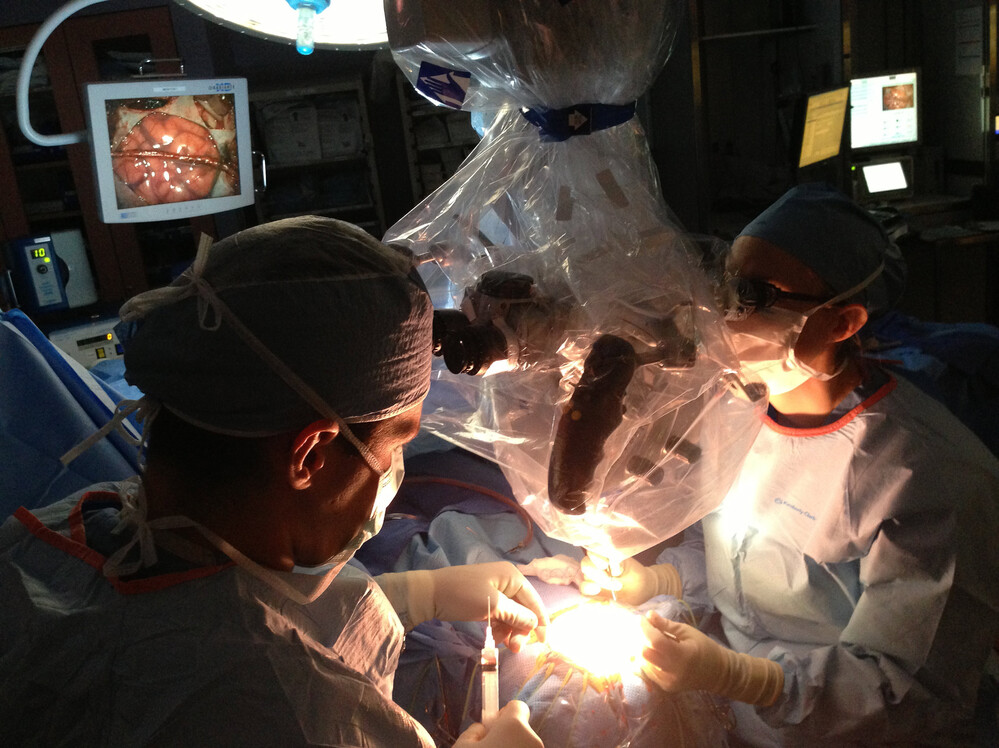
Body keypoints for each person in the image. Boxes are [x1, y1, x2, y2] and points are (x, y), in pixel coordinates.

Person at [0, 216, 548, 747]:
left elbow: (200, 615)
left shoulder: (52, 538)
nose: (395, 470)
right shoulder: (294, 713)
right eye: (399, 443)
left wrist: (411, 597)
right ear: (309, 454)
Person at [580, 183, 999, 745]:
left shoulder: (927, 475)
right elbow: (742, 559)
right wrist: (658, 578)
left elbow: (908, 689)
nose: (717, 312)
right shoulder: (733, 413)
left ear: (842, 322)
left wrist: (744, 677)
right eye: (721, 284)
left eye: (752, 296)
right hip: (742, 721)